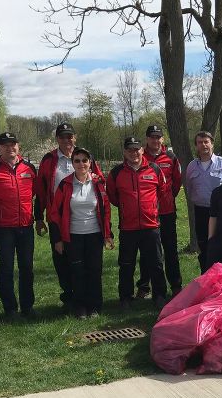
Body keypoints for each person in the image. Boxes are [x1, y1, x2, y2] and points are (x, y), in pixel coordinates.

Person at [37, 122, 101, 309]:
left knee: (86, 263)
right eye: (63, 136)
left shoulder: (85, 156)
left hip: (85, 217)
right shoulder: (49, 160)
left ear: (75, 137)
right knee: (61, 259)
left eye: (70, 136)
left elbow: (98, 182)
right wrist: (39, 217)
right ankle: (70, 296)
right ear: (57, 139)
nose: (67, 140)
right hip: (57, 217)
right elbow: (41, 189)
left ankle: (87, 297)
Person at [49, 147, 114, 319]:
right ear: (73, 163)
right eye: (77, 160)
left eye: (84, 160)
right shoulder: (65, 184)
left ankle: (94, 306)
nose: (81, 164)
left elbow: (105, 210)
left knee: (94, 271)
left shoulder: (98, 183)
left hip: (94, 234)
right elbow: (55, 213)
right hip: (73, 235)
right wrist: (58, 239)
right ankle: (80, 307)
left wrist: (108, 234)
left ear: (90, 162)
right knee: (77, 271)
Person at [107, 137, 168, 310]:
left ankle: (159, 295)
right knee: (126, 264)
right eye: (130, 150)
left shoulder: (154, 169)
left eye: (137, 149)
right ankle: (125, 297)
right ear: (125, 152)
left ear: (142, 150)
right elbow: (112, 196)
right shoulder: (116, 173)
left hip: (151, 226)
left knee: (155, 263)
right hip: (128, 227)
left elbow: (162, 192)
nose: (134, 153)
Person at [0, 132, 38, 318]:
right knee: (6, 268)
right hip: (4, 228)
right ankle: (10, 308)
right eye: (5, 145)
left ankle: (27, 306)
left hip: (25, 226)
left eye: (13, 144)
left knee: (27, 267)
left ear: (18, 146)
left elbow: (35, 194)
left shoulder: (29, 168)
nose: (10, 148)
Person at [136, 124, 182, 298]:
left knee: (170, 249)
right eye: (152, 137)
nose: (155, 140)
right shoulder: (140, 155)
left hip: (167, 212)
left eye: (158, 137)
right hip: (147, 214)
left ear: (162, 139)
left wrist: (168, 198)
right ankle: (144, 286)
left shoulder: (170, 157)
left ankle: (176, 285)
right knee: (148, 251)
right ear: (147, 139)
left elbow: (177, 183)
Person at [183, 130, 222, 273]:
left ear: (212, 144)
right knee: (204, 247)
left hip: (221, 212)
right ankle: (206, 278)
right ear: (196, 146)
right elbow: (189, 188)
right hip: (200, 211)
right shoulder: (191, 166)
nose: (203, 145)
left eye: (206, 142)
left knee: (221, 247)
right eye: (200, 142)